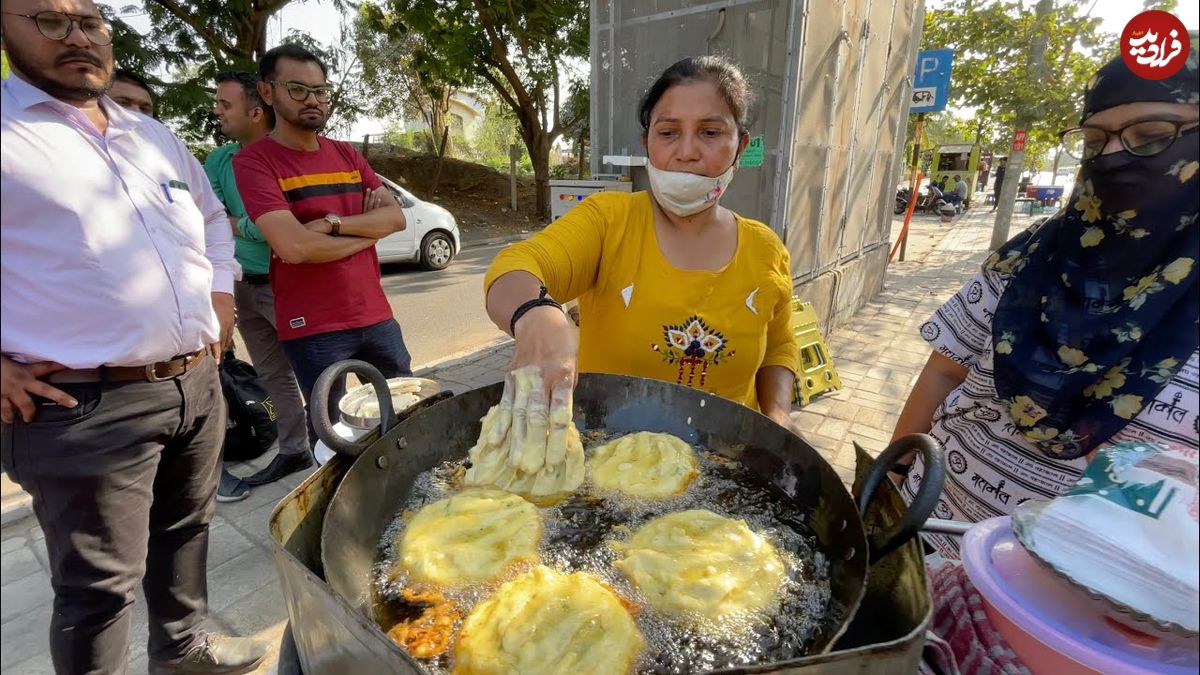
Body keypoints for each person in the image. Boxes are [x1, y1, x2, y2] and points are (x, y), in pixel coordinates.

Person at [0, 2, 267, 673]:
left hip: (193, 385)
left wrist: (219, 296)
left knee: (186, 534)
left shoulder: (151, 136)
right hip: (81, 406)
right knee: (99, 592)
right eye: (49, 21)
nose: (77, 38)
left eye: (89, 22)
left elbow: (209, 217)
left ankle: (184, 655)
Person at [890, 42, 1199, 559]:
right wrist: (890, 477)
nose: (1115, 158)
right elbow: (944, 373)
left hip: (1074, 613)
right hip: (925, 541)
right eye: (1097, 139)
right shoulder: (1034, 254)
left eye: (1152, 136)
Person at [482, 56, 800, 437]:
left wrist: (778, 414)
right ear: (646, 143)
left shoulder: (766, 249)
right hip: (611, 466)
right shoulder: (608, 221)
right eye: (668, 133)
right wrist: (537, 315)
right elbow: (517, 265)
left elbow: (780, 343)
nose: (686, 152)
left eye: (710, 133)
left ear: (740, 145)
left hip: (728, 468)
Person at [233, 44, 412, 464]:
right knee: (333, 431)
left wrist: (332, 225)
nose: (313, 99)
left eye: (320, 90)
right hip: (312, 324)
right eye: (298, 89)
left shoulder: (347, 154)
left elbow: (397, 219)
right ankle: (341, 515)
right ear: (267, 91)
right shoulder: (255, 162)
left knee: (405, 410)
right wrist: (368, 235)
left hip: (375, 313)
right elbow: (294, 247)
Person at [205, 70, 314, 492]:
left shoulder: (287, 155)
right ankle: (294, 450)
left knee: (314, 369)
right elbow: (212, 218)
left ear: (256, 110)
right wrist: (259, 225)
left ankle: (333, 445)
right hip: (241, 285)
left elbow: (295, 224)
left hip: (286, 280)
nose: (217, 111)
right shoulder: (218, 160)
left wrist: (247, 225)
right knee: (272, 373)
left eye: (225, 104)